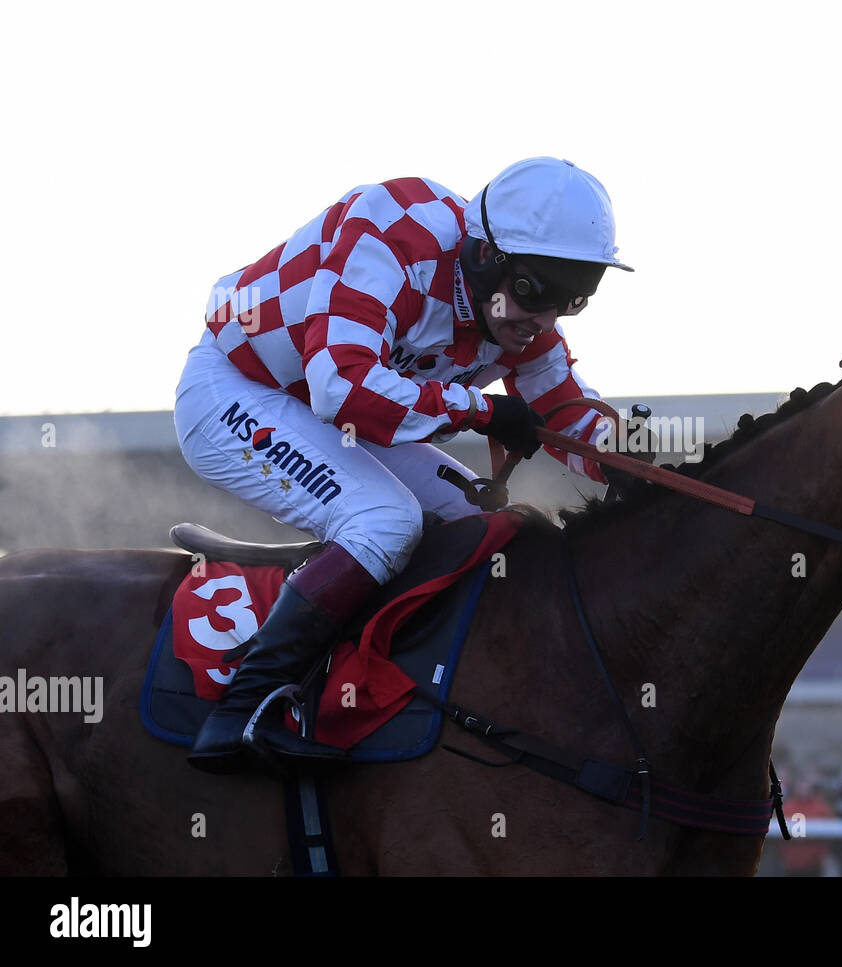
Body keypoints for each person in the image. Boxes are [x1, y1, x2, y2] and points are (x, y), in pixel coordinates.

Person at [174, 158, 636, 773]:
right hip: (240, 390)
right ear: (484, 255)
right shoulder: (396, 231)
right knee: (386, 520)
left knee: (484, 521)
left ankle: (395, 687)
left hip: (325, 410)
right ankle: (241, 713)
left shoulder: (525, 322)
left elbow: (570, 417)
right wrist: (481, 411)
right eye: (535, 292)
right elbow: (341, 383)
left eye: (572, 299)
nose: (547, 319)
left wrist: (636, 457)